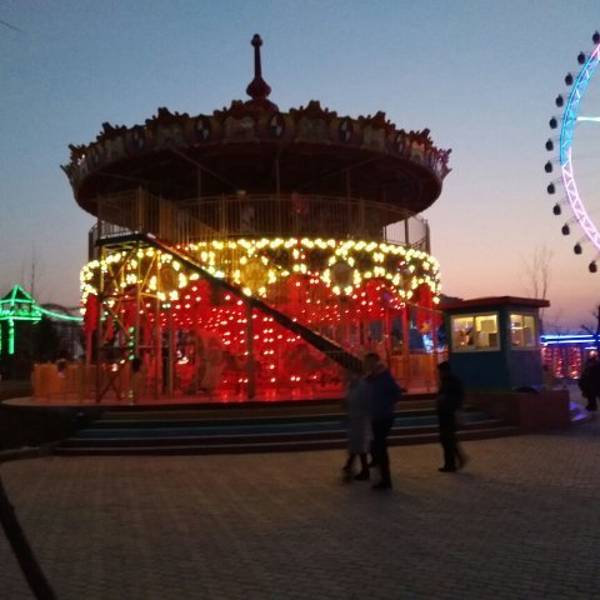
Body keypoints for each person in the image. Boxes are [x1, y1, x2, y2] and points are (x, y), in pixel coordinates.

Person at [364, 352, 402, 490]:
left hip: (383, 417)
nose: (366, 365)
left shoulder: (384, 378)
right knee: (376, 446)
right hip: (376, 416)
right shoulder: (371, 379)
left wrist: (386, 405)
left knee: (380, 447)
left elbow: (396, 394)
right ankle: (382, 475)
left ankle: (385, 479)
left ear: (375, 362)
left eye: (368, 362)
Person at [436, 361, 467, 473]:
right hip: (444, 414)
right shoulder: (446, 381)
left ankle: (452, 463)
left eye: (440, 371)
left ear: (444, 371)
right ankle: (454, 461)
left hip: (449, 414)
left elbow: (458, 397)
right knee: (447, 439)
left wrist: (445, 400)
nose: (438, 373)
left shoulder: (452, 381)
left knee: (447, 438)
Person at [342, 371, 371, 481]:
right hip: (354, 419)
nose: (347, 376)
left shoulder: (363, 386)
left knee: (359, 445)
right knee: (356, 445)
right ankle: (351, 467)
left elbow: (366, 402)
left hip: (361, 419)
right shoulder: (351, 386)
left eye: (349, 374)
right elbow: (348, 401)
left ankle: (357, 469)